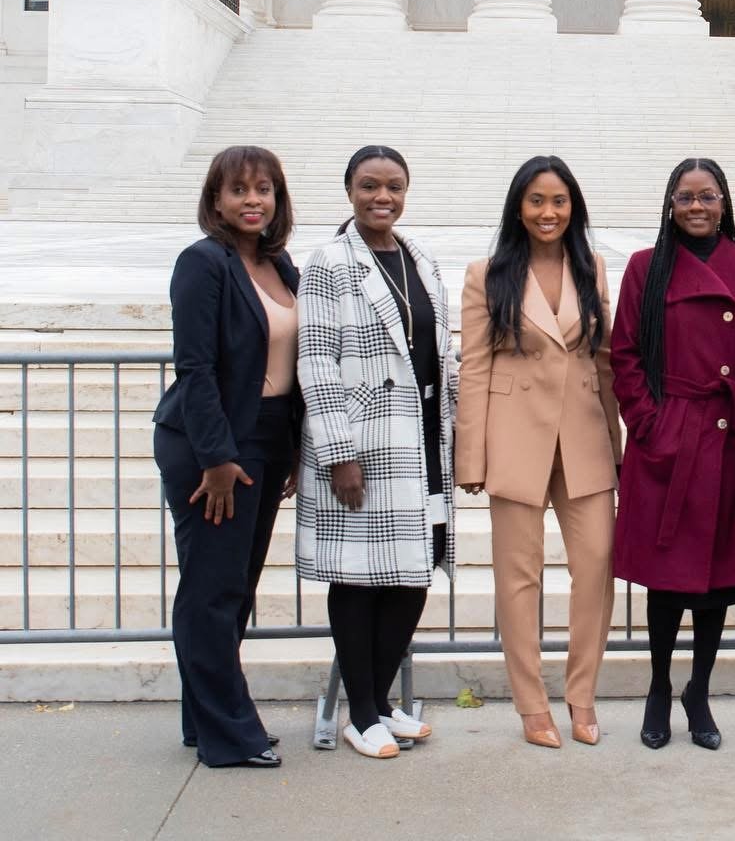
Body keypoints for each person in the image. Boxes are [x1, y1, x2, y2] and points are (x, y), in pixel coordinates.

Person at [456, 156, 623, 748]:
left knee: (596, 567)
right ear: (518, 208)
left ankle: (582, 698)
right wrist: (470, 457)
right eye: (536, 201)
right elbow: (473, 367)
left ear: (572, 206)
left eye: (558, 200)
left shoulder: (592, 267)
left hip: (583, 438)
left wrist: (617, 441)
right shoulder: (487, 274)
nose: (548, 212)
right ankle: (532, 707)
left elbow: (601, 361)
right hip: (516, 437)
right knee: (518, 577)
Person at [296, 146, 457, 761]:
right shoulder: (329, 262)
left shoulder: (420, 257)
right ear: (349, 191)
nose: (381, 197)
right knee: (358, 581)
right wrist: (338, 451)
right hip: (362, 445)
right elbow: (315, 360)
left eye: (392, 186)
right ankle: (361, 713)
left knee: (411, 577)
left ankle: (381, 700)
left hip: (420, 439)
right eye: (368, 186)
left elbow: (441, 353)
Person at [610, 157, 735, 751]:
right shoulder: (646, 267)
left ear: (724, 202)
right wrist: (649, 424)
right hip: (669, 439)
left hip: (728, 440)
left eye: (707, 196)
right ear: (669, 205)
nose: (697, 207)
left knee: (717, 584)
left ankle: (698, 691)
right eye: (685, 198)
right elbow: (624, 352)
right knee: (667, 580)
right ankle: (657, 687)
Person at [153, 146, 302, 768]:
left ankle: (201, 719)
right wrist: (217, 458)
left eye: (263, 189)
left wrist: (290, 447)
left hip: (266, 437)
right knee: (211, 590)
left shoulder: (279, 264)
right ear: (216, 199)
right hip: (210, 445)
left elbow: (288, 365)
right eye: (238, 190)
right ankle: (229, 734)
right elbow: (194, 366)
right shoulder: (202, 263)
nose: (252, 201)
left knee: (234, 587)